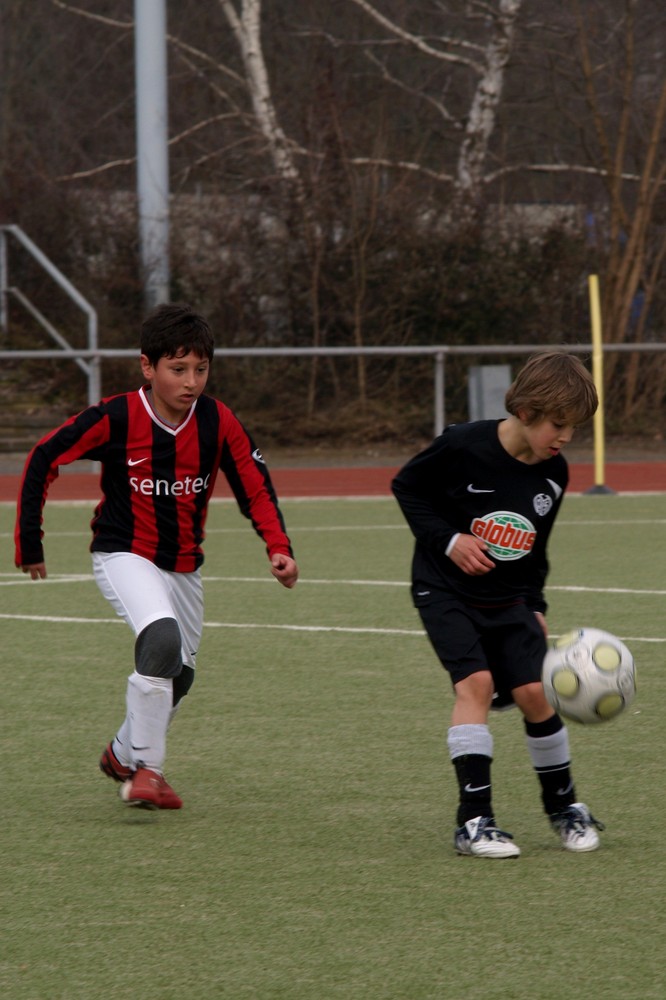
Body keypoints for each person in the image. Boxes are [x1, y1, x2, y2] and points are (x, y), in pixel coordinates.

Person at [15, 303, 298, 811]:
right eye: (178, 369)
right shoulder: (118, 416)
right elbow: (43, 457)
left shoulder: (217, 420)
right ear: (147, 366)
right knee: (161, 638)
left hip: (184, 564)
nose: (192, 381)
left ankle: (123, 753)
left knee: (180, 676)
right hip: (123, 551)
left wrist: (278, 547)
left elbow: (255, 486)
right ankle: (148, 770)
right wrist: (30, 541)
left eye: (201, 369)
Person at [392, 352, 603, 858]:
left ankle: (564, 807)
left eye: (574, 428)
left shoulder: (554, 474)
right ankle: (474, 822)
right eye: (559, 424)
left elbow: (536, 548)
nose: (566, 437)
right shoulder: (463, 445)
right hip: (444, 590)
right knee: (478, 685)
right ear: (527, 411)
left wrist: (534, 604)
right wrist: (449, 541)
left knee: (536, 693)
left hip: (507, 597)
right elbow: (407, 487)